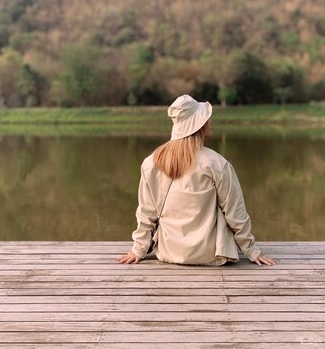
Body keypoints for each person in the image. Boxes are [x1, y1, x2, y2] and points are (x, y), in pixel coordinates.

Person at [116, 94, 276, 266]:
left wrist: (138, 249)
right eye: (207, 118)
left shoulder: (151, 163)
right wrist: (251, 250)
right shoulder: (216, 164)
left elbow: (146, 213)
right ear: (200, 124)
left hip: (169, 252)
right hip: (210, 254)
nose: (210, 122)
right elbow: (235, 212)